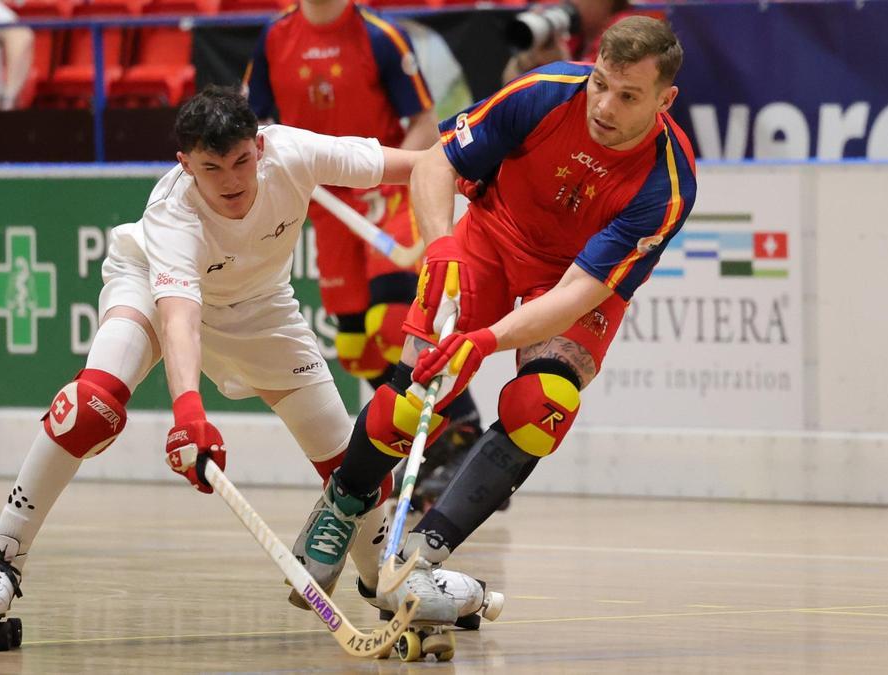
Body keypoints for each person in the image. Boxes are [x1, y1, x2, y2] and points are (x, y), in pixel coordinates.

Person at [0, 87, 489, 650]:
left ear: (259, 145)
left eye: (241, 161)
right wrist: (189, 410)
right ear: (185, 165)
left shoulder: (292, 151)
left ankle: (389, 574)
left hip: (263, 308)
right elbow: (179, 318)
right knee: (93, 405)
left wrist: (476, 171)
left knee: (353, 460)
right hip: (149, 286)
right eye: (212, 168)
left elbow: (420, 163)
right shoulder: (172, 215)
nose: (232, 181)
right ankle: (0, 556)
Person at [292, 16, 697, 624]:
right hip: (489, 239)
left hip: (570, 283)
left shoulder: (668, 183)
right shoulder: (543, 92)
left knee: (543, 408)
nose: (606, 107)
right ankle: (342, 503)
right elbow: (435, 164)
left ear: (665, 100)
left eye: (629, 96)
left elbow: (579, 291)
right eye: (601, 85)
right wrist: (440, 246)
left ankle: (421, 557)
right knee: (417, 388)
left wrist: (486, 340)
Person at [244, 0, 487, 512]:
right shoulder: (274, 39)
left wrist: (404, 173)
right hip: (326, 204)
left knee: (391, 319)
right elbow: (256, 124)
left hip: (384, 192)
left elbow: (423, 119)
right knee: (355, 345)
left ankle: (461, 426)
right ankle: (428, 431)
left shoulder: (380, 37)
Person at [503, 0, 664, 83]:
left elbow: (604, 106)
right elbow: (507, 86)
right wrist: (524, 61)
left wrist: (562, 65)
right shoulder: (572, 32)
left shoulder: (630, 31)